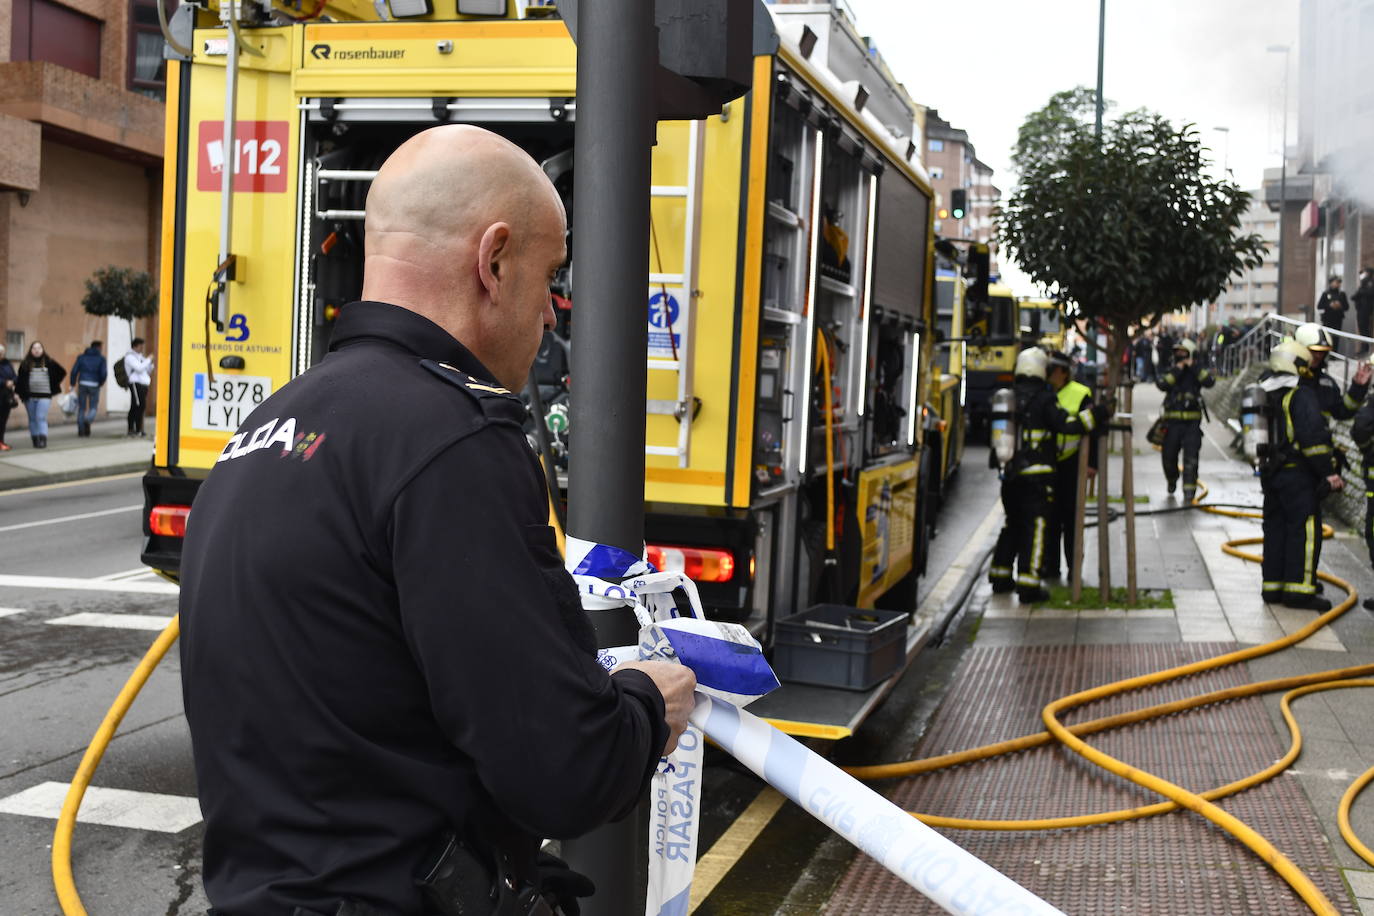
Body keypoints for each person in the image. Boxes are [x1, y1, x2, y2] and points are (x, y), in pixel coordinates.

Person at [179, 125, 697, 916]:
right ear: (493, 261)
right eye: (549, 275)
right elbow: (562, 770)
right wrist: (646, 703)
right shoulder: (455, 443)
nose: (553, 315)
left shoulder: (263, 431)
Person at [989, 347, 1109, 603]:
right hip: (1037, 479)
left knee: (1012, 525)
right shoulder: (1043, 399)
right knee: (1036, 528)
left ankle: (1000, 577)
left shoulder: (1008, 397)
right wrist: (1098, 414)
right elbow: (1068, 425)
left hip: (1009, 478)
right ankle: (1028, 586)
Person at [1259, 339, 1341, 610]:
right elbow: (1313, 439)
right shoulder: (1300, 394)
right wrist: (1329, 473)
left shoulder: (1264, 391)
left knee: (1275, 529)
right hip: (1298, 476)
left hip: (1270, 474)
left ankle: (1273, 587)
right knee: (1303, 532)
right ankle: (1299, 591)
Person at [1042, 350, 1098, 581]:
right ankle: (1051, 568)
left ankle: (1074, 569)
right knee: (1050, 520)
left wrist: (1092, 464)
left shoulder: (1081, 394)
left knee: (1072, 520)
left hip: (1073, 464)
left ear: (1062, 372)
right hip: (1049, 465)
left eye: (1052, 370)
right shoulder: (1044, 394)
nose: (1048, 374)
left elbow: (1091, 429)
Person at [1156, 337, 1214, 503]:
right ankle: (1172, 479)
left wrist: (1193, 367)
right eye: (1178, 352)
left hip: (1192, 424)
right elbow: (1162, 384)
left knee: (1191, 459)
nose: (1180, 355)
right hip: (1172, 423)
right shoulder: (1172, 368)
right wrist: (1177, 369)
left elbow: (1209, 381)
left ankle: (1189, 492)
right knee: (1168, 456)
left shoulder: (1197, 368)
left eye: (1183, 352)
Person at [1293, 322, 1370, 423]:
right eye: (1313, 351)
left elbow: (1342, 412)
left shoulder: (1327, 384)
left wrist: (1358, 388)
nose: (1318, 356)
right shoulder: (1286, 379)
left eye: (1322, 351)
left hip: (1319, 438)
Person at [15, 340, 66, 449]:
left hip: (45, 396)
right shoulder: (25, 364)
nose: (37, 350)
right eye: (34, 348)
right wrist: (20, 393)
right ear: (31, 350)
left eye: (39, 348)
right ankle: (35, 439)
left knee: (40, 417)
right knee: (32, 418)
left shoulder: (49, 362)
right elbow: (20, 380)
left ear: (42, 350)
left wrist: (53, 383)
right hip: (30, 396)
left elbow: (62, 372)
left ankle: (43, 440)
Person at [70, 340, 107, 437]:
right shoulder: (101, 359)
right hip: (94, 384)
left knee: (81, 407)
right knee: (93, 407)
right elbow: (103, 373)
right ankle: (88, 420)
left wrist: (72, 384)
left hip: (82, 383)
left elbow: (74, 371)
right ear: (99, 348)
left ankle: (81, 430)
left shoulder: (81, 357)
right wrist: (101, 382)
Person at [123, 338, 153, 437]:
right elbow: (139, 368)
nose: (142, 348)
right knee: (138, 406)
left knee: (140, 406)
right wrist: (148, 359)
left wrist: (149, 363)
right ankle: (133, 429)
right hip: (135, 383)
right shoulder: (130, 357)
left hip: (143, 384)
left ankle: (138, 429)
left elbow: (147, 369)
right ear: (135, 346)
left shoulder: (140, 357)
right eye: (140, 346)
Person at [1353, 267, 1374, 349]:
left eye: (1364, 273)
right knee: (1362, 328)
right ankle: (1364, 347)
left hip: (1366, 309)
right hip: (1361, 309)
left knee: (1365, 329)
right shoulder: (1364, 283)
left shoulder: (1370, 282)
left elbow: (1369, 293)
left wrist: (1360, 293)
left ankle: (1366, 347)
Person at [0, 343, 16, 451]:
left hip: (6, 396)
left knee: (3, 420)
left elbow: (14, 376)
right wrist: (4, 382)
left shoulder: (7, 363)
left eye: (1, 352)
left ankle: (1, 442)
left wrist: (13, 381)